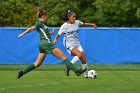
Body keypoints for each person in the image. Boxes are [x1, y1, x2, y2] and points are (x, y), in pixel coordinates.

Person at [16, 8, 86, 79]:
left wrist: (51, 33)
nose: (47, 17)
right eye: (46, 16)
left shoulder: (42, 24)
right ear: (43, 16)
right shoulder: (38, 23)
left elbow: (43, 33)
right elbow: (31, 29)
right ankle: (76, 71)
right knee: (64, 57)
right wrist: (22, 34)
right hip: (47, 44)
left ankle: (22, 72)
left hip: (42, 45)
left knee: (37, 64)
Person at [53, 10, 97, 78]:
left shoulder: (77, 22)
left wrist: (92, 24)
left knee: (84, 59)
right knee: (79, 54)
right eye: (73, 17)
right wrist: (55, 40)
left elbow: (84, 24)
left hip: (77, 43)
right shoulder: (64, 26)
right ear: (69, 17)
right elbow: (58, 34)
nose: (74, 18)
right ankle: (68, 67)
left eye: (75, 17)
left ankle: (86, 75)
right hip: (69, 44)